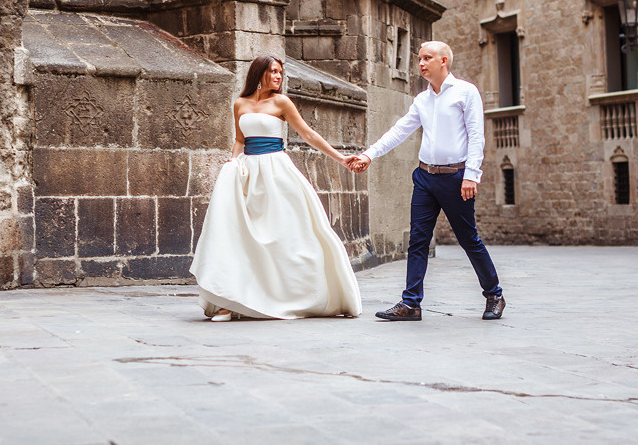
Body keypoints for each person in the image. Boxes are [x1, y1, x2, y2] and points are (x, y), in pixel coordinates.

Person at [189, 55, 363, 321]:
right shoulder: (240, 103)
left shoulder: (281, 102)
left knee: (285, 234)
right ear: (260, 74)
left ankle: (301, 295)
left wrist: (340, 158)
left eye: (280, 72)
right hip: (247, 172)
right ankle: (228, 302)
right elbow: (239, 140)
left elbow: (308, 134)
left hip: (277, 172)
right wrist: (232, 163)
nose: (278, 77)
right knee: (238, 235)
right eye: (273, 72)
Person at [350, 41, 505, 321]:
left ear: (444, 60)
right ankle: (411, 304)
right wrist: (369, 155)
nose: (421, 63)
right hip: (424, 178)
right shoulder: (422, 100)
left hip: (456, 178)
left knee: (469, 239)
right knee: (418, 240)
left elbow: (476, 136)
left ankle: (494, 294)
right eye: (419, 58)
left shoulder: (466, 92)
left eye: (427, 58)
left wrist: (471, 175)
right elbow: (399, 131)